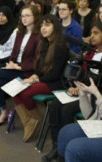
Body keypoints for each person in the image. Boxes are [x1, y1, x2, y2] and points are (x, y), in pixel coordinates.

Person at [42, 22, 102, 162]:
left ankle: (65, 150)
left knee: (66, 110)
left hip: (95, 95)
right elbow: (76, 71)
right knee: (54, 105)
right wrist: (72, 85)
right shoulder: (88, 52)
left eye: (96, 33)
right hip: (81, 91)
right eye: (91, 33)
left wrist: (84, 90)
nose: (92, 36)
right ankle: (57, 146)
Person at [13, 14, 69, 142]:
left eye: (47, 25)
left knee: (25, 92)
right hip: (45, 80)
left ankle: (34, 120)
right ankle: (30, 121)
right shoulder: (45, 43)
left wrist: (36, 80)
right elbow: (41, 68)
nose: (43, 28)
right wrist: (35, 75)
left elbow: (55, 75)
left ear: (55, 27)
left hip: (55, 83)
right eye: (42, 25)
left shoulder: (60, 46)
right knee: (15, 91)